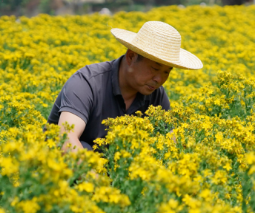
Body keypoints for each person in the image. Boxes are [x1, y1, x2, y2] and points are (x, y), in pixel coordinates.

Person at [47, 20, 202, 152]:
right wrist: (99, 183)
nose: (159, 79)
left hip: (114, 175)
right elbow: (65, 138)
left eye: (167, 72)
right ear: (131, 56)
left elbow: (171, 143)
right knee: (85, 147)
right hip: (65, 174)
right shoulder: (86, 82)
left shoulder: (156, 95)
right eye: (154, 69)